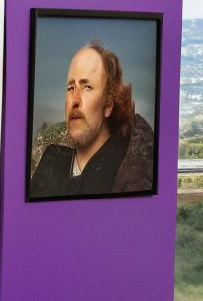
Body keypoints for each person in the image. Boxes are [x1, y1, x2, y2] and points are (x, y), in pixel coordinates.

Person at [29, 41, 156, 198]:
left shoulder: (126, 174)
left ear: (108, 105)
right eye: (71, 88)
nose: (74, 100)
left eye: (87, 87)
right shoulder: (52, 160)